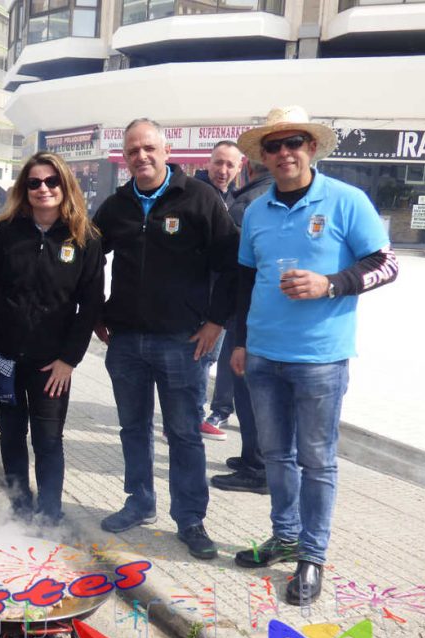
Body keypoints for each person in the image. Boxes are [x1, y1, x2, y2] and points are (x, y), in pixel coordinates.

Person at [231, 106, 398, 605]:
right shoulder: (256, 210)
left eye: (294, 142)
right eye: (274, 145)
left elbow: (387, 264)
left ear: (311, 148)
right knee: (275, 456)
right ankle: (284, 537)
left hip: (320, 358)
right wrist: (240, 341)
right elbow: (245, 280)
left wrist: (331, 284)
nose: (285, 153)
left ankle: (312, 554)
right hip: (263, 355)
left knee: (317, 461)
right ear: (263, 156)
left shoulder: (347, 200)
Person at [92, 118, 239, 560]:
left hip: (183, 341)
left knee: (183, 433)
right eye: (133, 150)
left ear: (166, 150)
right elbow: (87, 259)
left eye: (149, 148)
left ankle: (190, 518)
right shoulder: (115, 206)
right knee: (133, 428)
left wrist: (216, 322)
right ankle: (139, 502)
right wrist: (96, 311)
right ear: (125, 157)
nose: (141, 156)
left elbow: (232, 263)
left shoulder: (199, 198)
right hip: (126, 342)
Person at [0, 152, 104, 525]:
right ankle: (20, 507)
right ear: (24, 189)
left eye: (51, 181)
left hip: (52, 363)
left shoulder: (84, 238)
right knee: (10, 435)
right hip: (4, 357)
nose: (43, 189)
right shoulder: (5, 232)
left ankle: (50, 514)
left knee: (48, 440)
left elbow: (90, 305)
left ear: (65, 185)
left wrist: (69, 360)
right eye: (34, 182)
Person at [209, 160, 273, 496]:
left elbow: (231, 265)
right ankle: (254, 458)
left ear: (246, 166)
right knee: (251, 391)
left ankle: (258, 467)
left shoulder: (251, 202)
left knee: (248, 393)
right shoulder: (263, 196)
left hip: (247, 314)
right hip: (257, 312)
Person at [194, 141, 245, 441]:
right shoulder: (195, 194)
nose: (223, 170)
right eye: (218, 162)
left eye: (230, 165)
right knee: (200, 356)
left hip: (222, 296)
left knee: (208, 357)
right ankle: (192, 417)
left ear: (239, 168)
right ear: (208, 162)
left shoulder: (234, 200)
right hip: (198, 296)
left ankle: (191, 414)